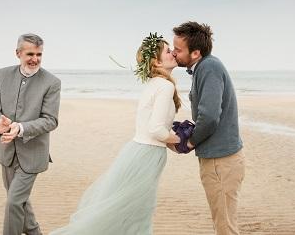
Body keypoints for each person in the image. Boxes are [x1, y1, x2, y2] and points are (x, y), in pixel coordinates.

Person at [50, 33, 181, 235]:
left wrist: (170, 140)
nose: (173, 53)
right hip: (147, 156)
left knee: (130, 212)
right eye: (167, 51)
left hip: (138, 151)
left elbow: (151, 126)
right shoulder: (165, 85)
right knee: (137, 213)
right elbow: (156, 130)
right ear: (156, 60)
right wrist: (179, 140)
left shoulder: (154, 84)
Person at [172, 22, 245, 235]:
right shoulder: (203, 68)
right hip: (218, 159)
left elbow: (210, 117)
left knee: (225, 227)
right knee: (223, 223)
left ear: (195, 52)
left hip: (220, 162)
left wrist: (191, 142)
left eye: (178, 49)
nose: (173, 53)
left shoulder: (209, 68)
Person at [0, 33, 61, 235]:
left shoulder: (52, 82)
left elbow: (50, 120)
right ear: (18, 53)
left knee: (13, 203)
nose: (35, 59)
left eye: (39, 54)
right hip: (6, 152)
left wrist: (20, 127)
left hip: (34, 154)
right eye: (30, 54)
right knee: (20, 202)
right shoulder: (1, 75)